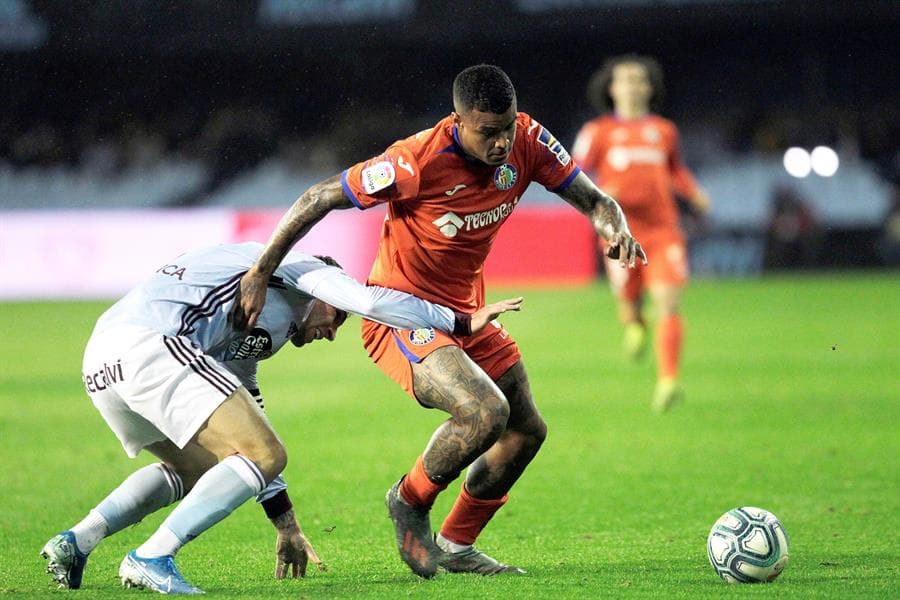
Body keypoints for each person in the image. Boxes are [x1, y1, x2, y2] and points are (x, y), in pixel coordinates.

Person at [231, 64, 645, 579]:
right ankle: (409, 501)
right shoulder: (415, 161)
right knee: (484, 412)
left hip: (467, 315)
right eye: (487, 132)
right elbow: (318, 197)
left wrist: (617, 229)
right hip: (400, 315)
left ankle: (456, 544)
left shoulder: (530, 140)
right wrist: (260, 270)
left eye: (507, 128)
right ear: (458, 121)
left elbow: (596, 201)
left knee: (525, 431)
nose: (501, 144)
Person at [41, 241, 521, 594]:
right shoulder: (300, 268)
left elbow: (247, 405)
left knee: (198, 467)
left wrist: (285, 523)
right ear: (326, 294)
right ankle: (152, 555)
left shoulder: (260, 328)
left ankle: (76, 540)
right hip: (149, 344)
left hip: (104, 362)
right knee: (266, 453)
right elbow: (371, 301)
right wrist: (456, 320)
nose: (331, 334)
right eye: (336, 320)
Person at [572, 54, 711, 412]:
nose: (632, 86)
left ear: (649, 88)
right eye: (625, 80)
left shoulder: (664, 131)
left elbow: (675, 170)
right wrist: (601, 194)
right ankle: (634, 323)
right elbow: (571, 176)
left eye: (639, 80)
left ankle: (668, 381)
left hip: (664, 231)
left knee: (668, 300)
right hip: (619, 235)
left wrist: (693, 193)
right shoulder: (597, 132)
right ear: (612, 88)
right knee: (630, 302)